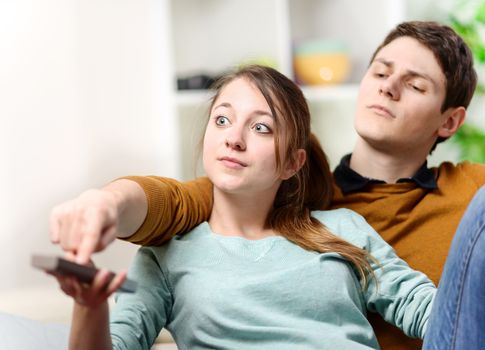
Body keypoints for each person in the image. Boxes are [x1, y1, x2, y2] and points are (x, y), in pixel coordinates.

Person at [50, 21, 485, 349]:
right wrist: (89, 301)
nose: (233, 137)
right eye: (222, 120)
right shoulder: (167, 255)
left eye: (260, 128)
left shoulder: (343, 228)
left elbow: (436, 313)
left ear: (292, 163)